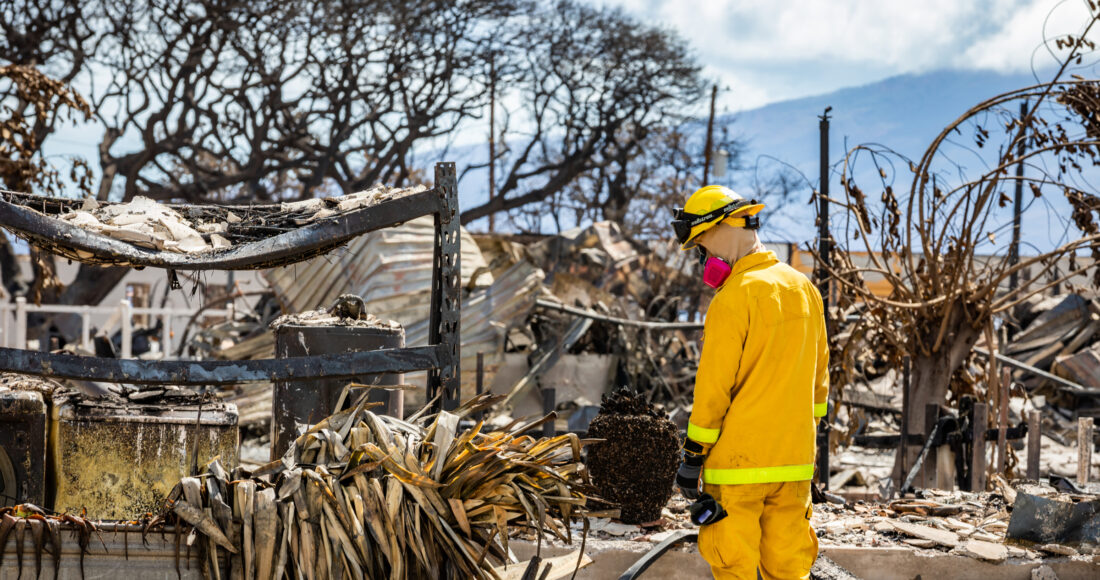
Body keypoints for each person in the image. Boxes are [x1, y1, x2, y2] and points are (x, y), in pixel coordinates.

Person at [670, 185, 829, 580]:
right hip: (794, 464)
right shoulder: (804, 289)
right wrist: (805, 435)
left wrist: (693, 455)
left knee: (734, 568)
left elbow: (713, 392)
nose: (705, 258)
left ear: (723, 228)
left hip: (737, 471)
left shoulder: (732, 299)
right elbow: (819, 383)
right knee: (789, 569)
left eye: (702, 245)